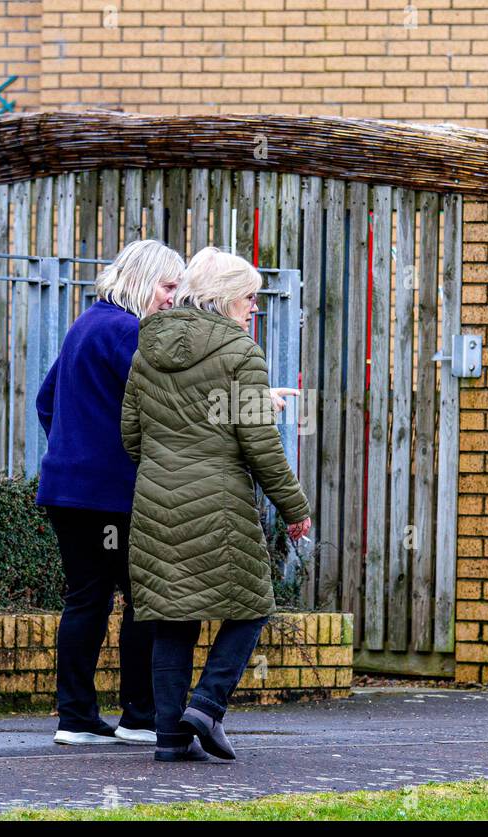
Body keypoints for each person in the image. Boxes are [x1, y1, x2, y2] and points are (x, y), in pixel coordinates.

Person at [121, 247, 311, 762]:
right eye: (250, 297)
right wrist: (294, 508)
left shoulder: (145, 351)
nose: (254, 307)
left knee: (172, 619)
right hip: (221, 504)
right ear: (225, 298)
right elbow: (259, 442)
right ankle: (206, 705)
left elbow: (131, 437)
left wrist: (169, 460)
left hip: (155, 505)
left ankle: (170, 740)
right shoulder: (241, 354)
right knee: (253, 605)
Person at [36, 239, 185, 745]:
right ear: (144, 281)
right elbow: (167, 404)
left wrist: (72, 445)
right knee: (145, 601)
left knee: (87, 600)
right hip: (113, 495)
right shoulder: (129, 332)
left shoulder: (86, 324)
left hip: (66, 488)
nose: (172, 297)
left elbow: (45, 399)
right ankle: (140, 715)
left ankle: (76, 717)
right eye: (168, 286)